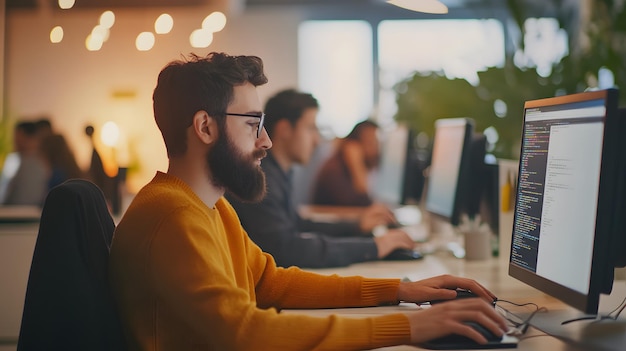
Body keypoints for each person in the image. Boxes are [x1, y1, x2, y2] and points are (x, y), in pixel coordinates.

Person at [108, 52, 507, 350]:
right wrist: (409, 328)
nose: (264, 141)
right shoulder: (173, 216)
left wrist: (400, 289)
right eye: (252, 125)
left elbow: (271, 282)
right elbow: (244, 333)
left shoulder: (210, 207)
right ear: (205, 126)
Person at [227, 89, 415, 268]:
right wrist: (374, 247)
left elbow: (298, 224)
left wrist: (357, 226)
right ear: (284, 129)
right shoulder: (262, 178)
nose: (317, 140)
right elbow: (285, 249)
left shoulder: (278, 173)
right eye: (311, 128)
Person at [311, 120, 382, 207]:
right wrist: (357, 165)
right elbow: (362, 203)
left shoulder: (351, 169)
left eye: (377, 144)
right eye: (370, 143)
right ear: (352, 146)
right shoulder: (334, 171)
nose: (375, 150)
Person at [0, 121, 49, 206]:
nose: (14, 140)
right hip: (36, 213)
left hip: (10, 213)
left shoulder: (14, 160)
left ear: (21, 135)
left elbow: (4, 192)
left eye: (16, 136)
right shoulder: (45, 161)